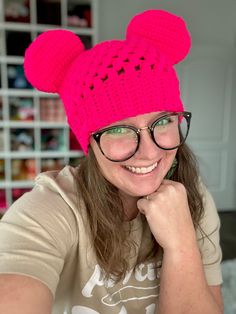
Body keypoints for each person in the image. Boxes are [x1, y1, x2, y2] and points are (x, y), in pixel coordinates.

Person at [0, 9, 223, 314]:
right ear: (89, 141)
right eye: (119, 129)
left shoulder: (192, 195)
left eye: (163, 121)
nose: (148, 151)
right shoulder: (52, 210)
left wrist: (181, 243)